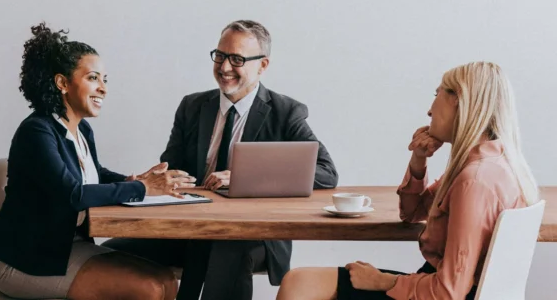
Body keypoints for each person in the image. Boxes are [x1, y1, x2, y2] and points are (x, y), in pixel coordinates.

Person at [103, 20, 338, 300]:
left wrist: (244, 177)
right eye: (220, 55)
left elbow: (326, 173)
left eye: (237, 59)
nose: (225, 67)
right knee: (109, 253)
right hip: (191, 227)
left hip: (255, 234)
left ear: (262, 65)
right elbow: (172, 165)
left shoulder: (286, 113)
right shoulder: (192, 106)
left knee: (228, 248)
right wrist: (158, 179)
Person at [276, 61, 541, 300]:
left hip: (441, 293)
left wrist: (383, 282)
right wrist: (418, 159)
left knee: (298, 285)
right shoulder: (490, 163)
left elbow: (449, 292)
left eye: (437, 94)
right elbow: (412, 212)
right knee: (300, 281)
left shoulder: (475, 180)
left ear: (459, 100)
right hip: (438, 285)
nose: (429, 110)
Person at [0, 22, 196, 300]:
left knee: (166, 279)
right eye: (93, 78)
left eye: (105, 79)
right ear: (62, 83)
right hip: (24, 260)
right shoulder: (37, 131)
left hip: (65, 246)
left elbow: (95, 175)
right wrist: (143, 188)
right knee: (150, 288)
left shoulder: (81, 129)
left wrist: (135, 181)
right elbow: (72, 194)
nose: (103, 88)